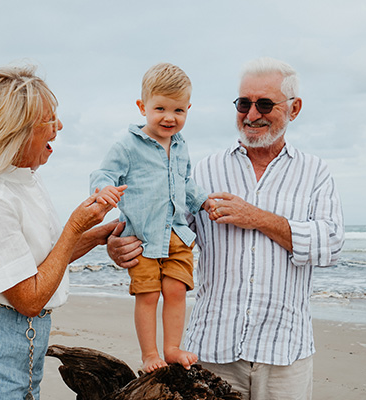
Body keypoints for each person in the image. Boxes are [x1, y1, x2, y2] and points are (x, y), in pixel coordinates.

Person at [107, 57, 344, 399]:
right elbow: (163, 226)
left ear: (294, 108)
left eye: (264, 104)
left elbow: (330, 245)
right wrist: (120, 245)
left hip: (285, 353)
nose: (251, 114)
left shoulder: (315, 172)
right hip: (211, 351)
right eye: (243, 103)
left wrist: (257, 217)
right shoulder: (204, 169)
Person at [0, 64, 125, 400]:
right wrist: (76, 224)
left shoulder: (23, 180)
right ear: (14, 131)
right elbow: (30, 298)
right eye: (48, 120)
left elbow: (41, 263)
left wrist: (103, 234)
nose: (58, 127)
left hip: (19, 351)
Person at [90, 62, 214, 373]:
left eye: (179, 111)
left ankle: (171, 348)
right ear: (142, 106)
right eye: (160, 108)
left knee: (176, 290)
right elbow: (103, 172)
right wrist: (104, 188)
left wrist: (203, 201)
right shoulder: (128, 145)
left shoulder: (181, 146)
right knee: (148, 295)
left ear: (188, 109)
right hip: (141, 237)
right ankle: (149, 355)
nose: (169, 117)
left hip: (177, 234)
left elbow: (184, 182)